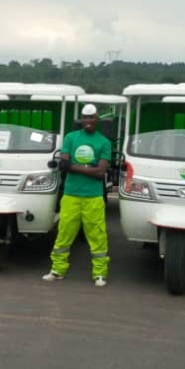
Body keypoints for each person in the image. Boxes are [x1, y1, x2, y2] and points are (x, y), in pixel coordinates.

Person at [43, 104, 111, 285]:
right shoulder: (71, 137)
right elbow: (65, 165)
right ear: (81, 119)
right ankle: (57, 270)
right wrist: (89, 168)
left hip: (94, 196)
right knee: (64, 233)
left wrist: (74, 167)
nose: (88, 120)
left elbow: (101, 172)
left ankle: (99, 273)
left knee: (97, 235)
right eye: (85, 117)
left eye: (91, 117)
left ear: (97, 119)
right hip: (71, 194)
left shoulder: (104, 142)